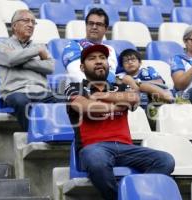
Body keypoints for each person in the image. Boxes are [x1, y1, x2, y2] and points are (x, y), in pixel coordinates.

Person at [65, 44, 175, 200]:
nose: (98, 61)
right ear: (82, 67)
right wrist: (118, 103)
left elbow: (134, 98)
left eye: (102, 58)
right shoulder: (75, 87)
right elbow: (85, 107)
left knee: (165, 160)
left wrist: (101, 96)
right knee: (97, 160)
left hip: (125, 148)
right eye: (92, 58)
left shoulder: (119, 86)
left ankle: (135, 195)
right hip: (94, 148)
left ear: (108, 64)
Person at [0, 9, 60, 131]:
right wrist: (37, 51)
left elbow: (50, 67)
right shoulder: (2, 45)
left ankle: (63, 137)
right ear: (14, 26)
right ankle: (32, 134)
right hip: (15, 91)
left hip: (41, 91)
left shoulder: (40, 46)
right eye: (26, 20)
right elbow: (10, 59)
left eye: (33, 22)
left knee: (67, 100)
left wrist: (20, 62)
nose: (30, 25)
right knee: (21, 101)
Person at [62, 7, 117, 82]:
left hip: (109, 91)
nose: (94, 27)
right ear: (86, 25)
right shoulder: (73, 46)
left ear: (106, 29)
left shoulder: (111, 50)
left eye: (99, 24)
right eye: (91, 23)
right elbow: (77, 76)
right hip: (82, 91)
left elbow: (120, 74)